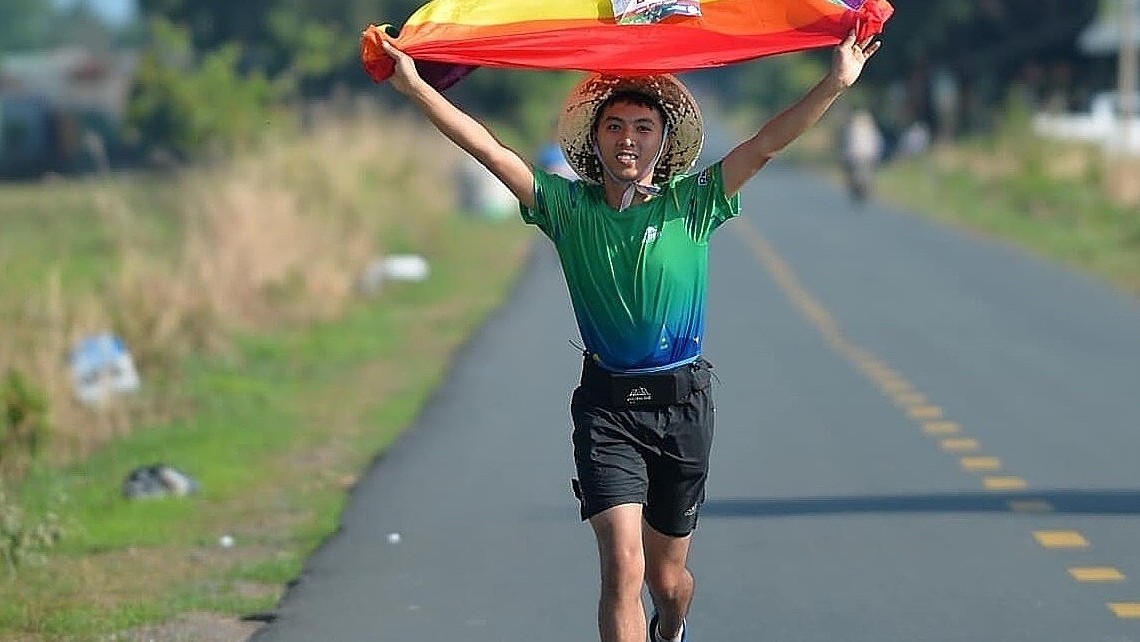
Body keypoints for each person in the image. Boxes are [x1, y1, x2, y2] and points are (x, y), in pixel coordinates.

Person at [380, 26, 879, 642]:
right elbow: (486, 147)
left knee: (668, 582)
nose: (628, 139)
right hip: (608, 411)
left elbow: (767, 144)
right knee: (623, 567)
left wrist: (834, 82)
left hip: (682, 409)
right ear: (595, 139)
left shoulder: (693, 203)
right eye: (615, 126)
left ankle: (671, 625)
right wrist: (411, 86)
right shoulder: (565, 208)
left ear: (663, 143)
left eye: (644, 127)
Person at [840, 107, 885, 204]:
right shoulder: (856, 129)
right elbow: (876, 143)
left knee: (863, 174)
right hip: (860, 156)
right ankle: (860, 189)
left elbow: (875, 143)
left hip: (861, 156)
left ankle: (863, 189)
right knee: (858, 174)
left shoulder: (859, 129)